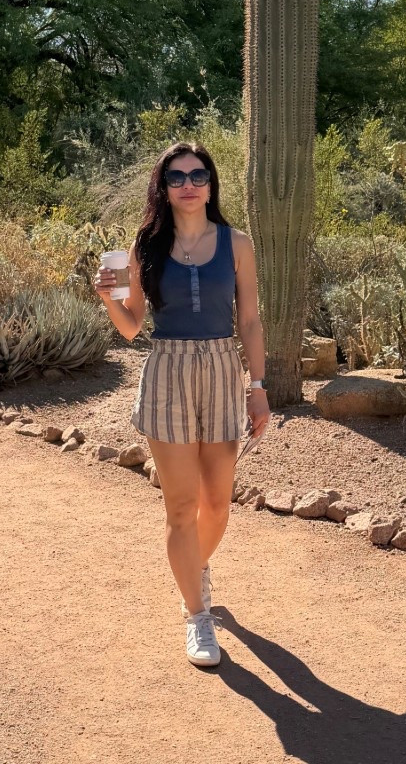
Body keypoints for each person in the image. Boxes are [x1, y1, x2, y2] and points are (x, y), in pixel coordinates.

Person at [94, 141, 270, 668]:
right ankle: (197, 618)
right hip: (167, 368)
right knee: (180, 507)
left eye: (198, 174)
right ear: (163, 187)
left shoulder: (237, 243)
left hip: (221, 368)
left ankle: (195, 569)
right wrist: (107, 298)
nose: (188, 183)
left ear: (211, 184)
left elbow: (251, 321)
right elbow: (130, 327)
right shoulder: (145, 245)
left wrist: (257, 386)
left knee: (218, 503)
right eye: (177, 177)